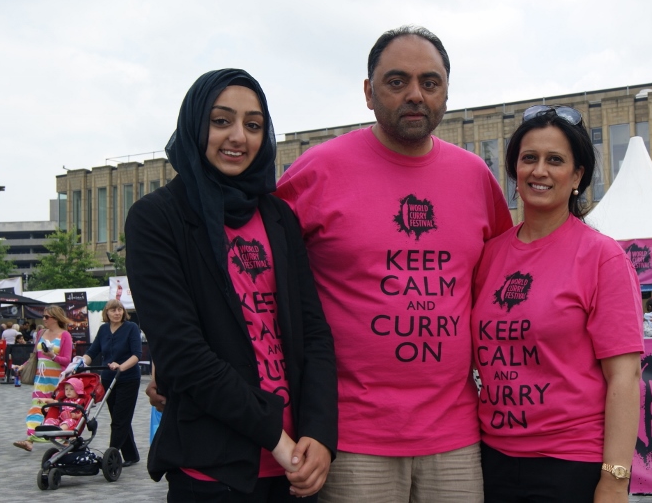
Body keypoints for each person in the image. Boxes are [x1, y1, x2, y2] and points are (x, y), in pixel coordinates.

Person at [276, 25, 512, 503]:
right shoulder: (317, 171)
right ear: (368, 92)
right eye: (396, 81)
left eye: (430, 83)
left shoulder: (476, 178)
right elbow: (252, 275)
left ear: (446, 92)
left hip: (456, 438)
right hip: (350, 438)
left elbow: (506, 288)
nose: (415, 95)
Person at [126, 68, 337, 502]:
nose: (238, 136)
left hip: (296, 468)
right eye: (221, 121)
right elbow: (183, 354)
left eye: (254, 125)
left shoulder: (278, 218)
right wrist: (277, 441)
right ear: (195, 124)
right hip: (215, 471)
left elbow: (313, 334)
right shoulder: (157, 218)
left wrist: (318, 434)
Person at [471, 105, 643, 503]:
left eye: (555, 160)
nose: (540, 171)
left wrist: (615, 480)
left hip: (570, 466)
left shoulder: (603, 258)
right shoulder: (490, 255)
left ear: (577, 175)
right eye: (529, 158)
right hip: (490, 460)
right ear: (515, 171)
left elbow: (625, 377)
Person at [81, 299, 142, 467]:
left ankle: (111, 456)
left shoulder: (131, 328)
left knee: (119, 419)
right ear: (106, 313)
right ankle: (131, 455)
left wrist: (121, 366)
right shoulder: (103, 329)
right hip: (108, 379)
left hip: (128, 378)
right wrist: (81, 362)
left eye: (119, 310)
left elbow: (137, 354)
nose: (117, 313)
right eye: (113, 310)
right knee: (119, 417)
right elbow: (92, 351)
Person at [12, 305, 74, 452]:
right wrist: (23, 366)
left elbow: (67, 360)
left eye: (47, 317)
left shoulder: (65, 335)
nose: (44, 319)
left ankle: (63, 437)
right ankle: (30, 439)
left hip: (58, 379)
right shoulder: (41, 333)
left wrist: (52, 356)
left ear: (56, 318)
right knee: (36, 407)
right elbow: (35, 356)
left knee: (58, 408)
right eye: (43, 316)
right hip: (41, 378)